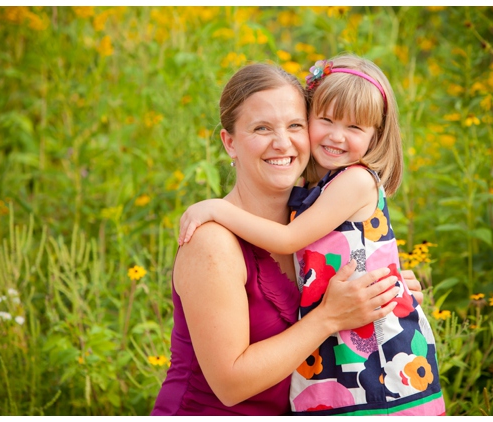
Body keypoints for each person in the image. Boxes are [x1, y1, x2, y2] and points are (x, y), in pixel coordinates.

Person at [177, 55, 444, 415]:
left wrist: (381, 289)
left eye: (295, 125)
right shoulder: (212, 240)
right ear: (229, 143)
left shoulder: (316, 222)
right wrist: (330, 316)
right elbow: (230, 386)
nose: (282, 143)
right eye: (261, 129)